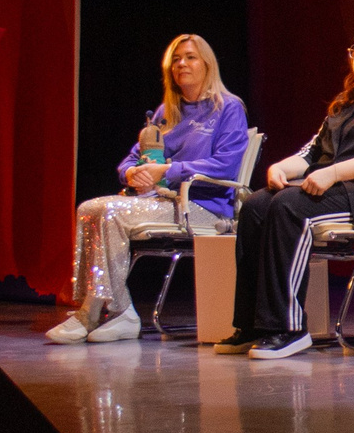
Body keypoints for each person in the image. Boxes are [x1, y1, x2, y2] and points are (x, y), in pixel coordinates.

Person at [217, 23, 354, 361]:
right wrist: (280, 168)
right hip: (340, 191)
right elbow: (310, 153)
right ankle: (252, 324)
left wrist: (333, 172)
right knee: (257, 205)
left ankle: (288, 329)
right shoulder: (347, 103)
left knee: (290, 206)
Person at [46, 34, 250, 344]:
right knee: (89, 209)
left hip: (204, 208)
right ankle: (121, 311)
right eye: (177, 59)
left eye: (191, 57)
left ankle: (94, 313)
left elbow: (225, 166)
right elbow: (132, 158)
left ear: (208, 64)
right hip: (160, 200)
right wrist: (131, 174)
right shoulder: (166, 111)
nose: (182, 63)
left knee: (113, 212)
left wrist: (167, 170)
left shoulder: (228, 108)